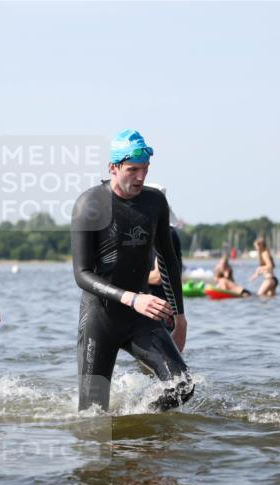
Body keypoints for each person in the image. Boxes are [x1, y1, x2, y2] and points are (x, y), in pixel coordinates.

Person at [71, 129, 192, 412]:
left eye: (145, 170)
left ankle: (139, 424)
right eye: (132, 170)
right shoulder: (89, 204)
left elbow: (169, 261)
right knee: (93, 415)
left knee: (183, 386)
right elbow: (82, 274)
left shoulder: (154, 203)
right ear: (113, 168)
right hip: (100, 319)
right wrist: (133, 298)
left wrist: (180, 317)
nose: (140, 177)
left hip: (140, 318)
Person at [144, 184, 183, 343]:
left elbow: (159, 277)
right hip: (149, 308)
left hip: (161, 311)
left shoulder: (166, 234)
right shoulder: (143, 234)